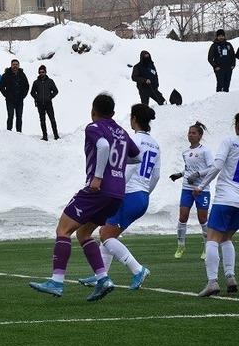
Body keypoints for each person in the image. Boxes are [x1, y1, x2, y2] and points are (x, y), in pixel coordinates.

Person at [29, 93, 140, 301]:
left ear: (93, 111)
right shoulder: (122, 132)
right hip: (117, 193)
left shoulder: (94, 127)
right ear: (113, 113)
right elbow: (137, 156)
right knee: (84, 234)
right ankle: (103, 278)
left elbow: (104, 146)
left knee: (63, 229)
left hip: (98, 189)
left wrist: (98, 177)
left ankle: (57, 281)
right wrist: (117, 170)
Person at [78, 104, 159, 291]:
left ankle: (138, 269)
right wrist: (145, 193)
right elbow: (156, 175)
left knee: (106, 235)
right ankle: (101, 275)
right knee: (108, 233)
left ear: (134, 119)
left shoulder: (132, 140)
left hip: (128, 194)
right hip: (142, 196)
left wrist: (116, 192)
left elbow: (127, 168)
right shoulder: (154, 143)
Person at [194, 105, 239, 297]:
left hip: (226, 197)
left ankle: (212, 282)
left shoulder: (230, 141)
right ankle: (230, 276)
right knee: (226, 238)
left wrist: (201, 186)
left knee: (212, 238)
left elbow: (217, 166)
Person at [168, 122, 214, 260]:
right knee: (182, 218)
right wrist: (180, 174)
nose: (191, 135)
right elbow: (189, 169)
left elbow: (212, 168)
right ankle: (181, 245)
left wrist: (198, 174)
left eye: (194, 133)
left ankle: (206, 247)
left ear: (200, 136)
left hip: (201, 189)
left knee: (203, 219)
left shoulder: (205, 151)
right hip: (186, 189)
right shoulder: (185, 152)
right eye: (189, 132)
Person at [30, 65, 60, 141]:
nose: (41, 73)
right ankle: (45, 136)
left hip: (48, 103)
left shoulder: (50, 81)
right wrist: (37, 98)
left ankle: (56, 135)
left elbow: (56, 91)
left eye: (43, 72)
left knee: (52, 119)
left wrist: (50, 97)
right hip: (40, 104)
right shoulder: (36, 82)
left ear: (45, 72)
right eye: (40, 72)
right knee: (42, 120)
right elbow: (32, 92)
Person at [0, 59, 28, 132]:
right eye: (13, 64)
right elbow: (1, 87)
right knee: (10, 116)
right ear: (11, 65)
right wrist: (7, 95)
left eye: (16, 64)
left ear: (18, 65)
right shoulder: (6, 74)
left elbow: (27, 86)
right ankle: (9, 132)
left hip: (19, 100)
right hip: (10, 100)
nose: (15, 66)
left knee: (19, 117)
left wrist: (23, 96)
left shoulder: (22, 74)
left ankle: (19, 132)